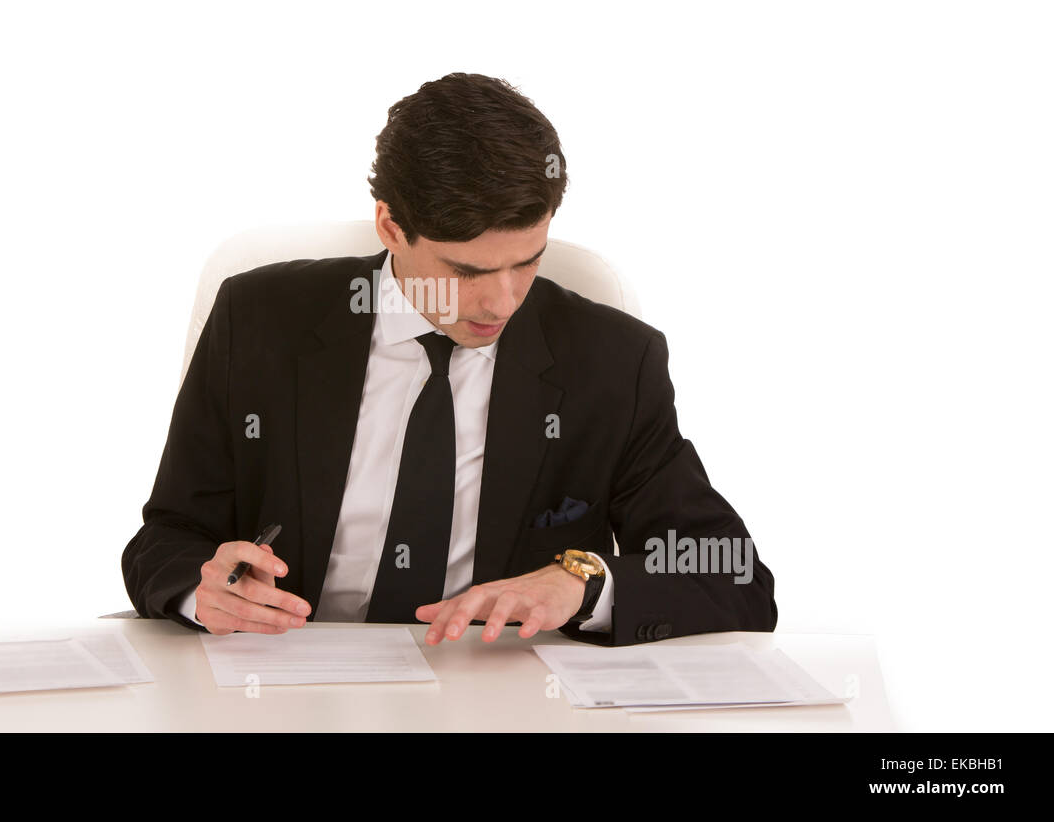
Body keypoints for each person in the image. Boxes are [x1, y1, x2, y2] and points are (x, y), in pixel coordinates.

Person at [121, 72, 777, 647]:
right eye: (466, 271)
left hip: (502, 698)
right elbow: (168, 538)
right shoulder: (258, 315)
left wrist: (582, 581)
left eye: (527, 261)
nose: (502, 301)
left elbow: (733, 575)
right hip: (290, 688)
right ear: (389, 227)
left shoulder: (611, 360)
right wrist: (201, 589)